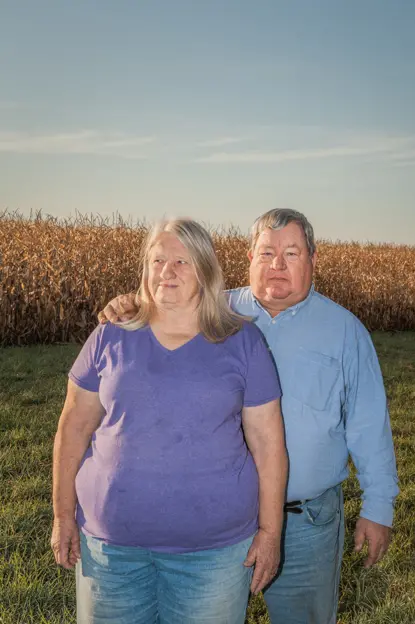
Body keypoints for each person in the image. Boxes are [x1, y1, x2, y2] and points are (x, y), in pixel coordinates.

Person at [100, 209, 399, 624]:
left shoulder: (345, 331)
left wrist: (378, 507)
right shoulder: (209, 312)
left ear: (313, 259)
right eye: (267, 252)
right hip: (215, 526)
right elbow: (155, 307)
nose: (277, 264)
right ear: (249, 258)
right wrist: (130, 303)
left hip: (304, 522)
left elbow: (369, 426)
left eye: (291, 253)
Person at [51, 218, 288, 624]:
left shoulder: (242, 342)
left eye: (182, 261)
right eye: (158, 260)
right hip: (110, 550)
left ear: (206, 271)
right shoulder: (111, 335)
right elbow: (72, 428)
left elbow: (269, 446)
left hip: (213, 554)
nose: (167, 271)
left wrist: (270, 533)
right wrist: (61, 515)